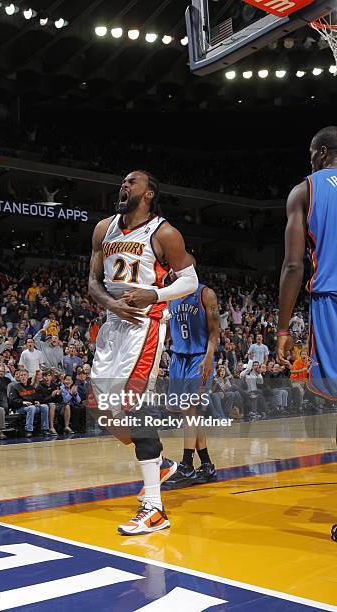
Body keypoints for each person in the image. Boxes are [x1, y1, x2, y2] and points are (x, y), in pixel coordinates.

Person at [88, 169, 198, 535]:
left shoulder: (164, 232)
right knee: (105, 412)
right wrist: (111, 304)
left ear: (149, 193)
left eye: (132, 182)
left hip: (144, 327)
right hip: (112, 325)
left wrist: (156, 294)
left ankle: (155, 509)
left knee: (135, 408)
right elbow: (92, 281)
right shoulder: (104, 228)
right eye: (123, 181)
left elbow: (190, 280)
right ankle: (161, 463)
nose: (124, 185)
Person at [276, 126, 337, 542]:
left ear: (320, 153)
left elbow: (294, 266)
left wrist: (283, 327)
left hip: (331, 301)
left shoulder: (305, 192)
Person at [157, 278, 219, 489]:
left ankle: (186, 466)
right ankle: (207, 465)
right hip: (178, 358)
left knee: (189, 411)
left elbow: (214, 331)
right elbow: (165, 330)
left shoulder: (205, 294)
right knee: (190, 415)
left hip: (198, 358)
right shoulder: (170, 295)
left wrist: (208, 358)